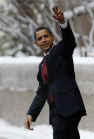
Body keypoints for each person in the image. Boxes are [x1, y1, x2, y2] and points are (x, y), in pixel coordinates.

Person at [25, 7, 86, 139]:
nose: (44, 40)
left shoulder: (61, 50)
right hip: (56, 113)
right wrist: (31, 114)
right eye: (40, 38)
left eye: (46, 36)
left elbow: (70, 41)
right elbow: (42, 91)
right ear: (36, 43)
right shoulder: (42, 65)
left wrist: (63, 23)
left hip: (69, 107)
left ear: (52, 37)